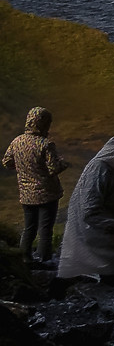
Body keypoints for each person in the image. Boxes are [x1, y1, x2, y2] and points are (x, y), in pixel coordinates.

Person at [57, 137, 114, 279]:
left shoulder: (111, 171)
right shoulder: (99, 170)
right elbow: (90, 207)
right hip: (96, 227)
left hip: (104, 226)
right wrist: (111, 227)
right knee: (111, 261)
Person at [3, 107, 66, 266]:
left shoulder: (17, 141)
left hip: (26, 194)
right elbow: (54, 169)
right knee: (45, 229)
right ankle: (45, 259)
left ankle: (24, 258)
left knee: (29, 227)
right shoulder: (46, 144)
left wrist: (24, 169)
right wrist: (64, 164)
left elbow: (7, 162)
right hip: (47, 193)